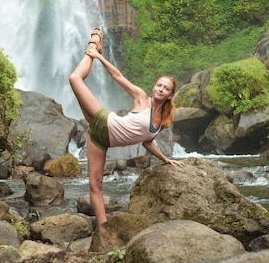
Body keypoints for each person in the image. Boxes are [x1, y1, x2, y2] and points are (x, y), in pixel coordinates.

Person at [69, 28, 184, 225]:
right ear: (154, 87)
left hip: (99, 139)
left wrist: (166, 159)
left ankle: (103, 228)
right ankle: (94, 44)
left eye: (165, 88)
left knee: (96, 184)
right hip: (104, 121)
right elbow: (119, 77)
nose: (161, 89)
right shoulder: (141, 98)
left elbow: (147, 143)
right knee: (74, 79)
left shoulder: (162, 121)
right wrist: (98, 57)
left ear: (170, 95)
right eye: (159, 85)